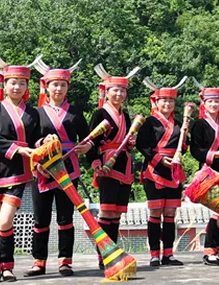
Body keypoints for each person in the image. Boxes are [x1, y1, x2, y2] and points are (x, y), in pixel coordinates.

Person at [0, 52, 41, 284]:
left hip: (18, 172)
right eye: (13, 82)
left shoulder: (33, 113)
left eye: (21, 83)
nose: (17, 86)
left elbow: (36, 140)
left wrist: (42, 145)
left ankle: (8, 265)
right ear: (5, 84)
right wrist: (18, 149)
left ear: (27, 87)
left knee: (5, 221)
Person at [25, 57, 90, 277]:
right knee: (40, 217)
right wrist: (42, 145)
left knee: (66, 217)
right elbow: (29, 141)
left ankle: (65, 261)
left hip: (68, 169)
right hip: (43, 170)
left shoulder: (75, 112)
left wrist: (86, 146)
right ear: (47, 86)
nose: (59, 88)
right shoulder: (36, 113)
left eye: (63, 85)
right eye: (55, 84)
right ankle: (39, 261)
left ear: (67, 88)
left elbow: (87, 138)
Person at [88, 64, 140, 269]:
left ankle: (113, 250)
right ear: (106, 92)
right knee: (106, 211)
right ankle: (104, 254)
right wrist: (95, 163)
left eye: (122, 90)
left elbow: (125, 141)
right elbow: (90, 142)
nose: (119, 94)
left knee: (117, 213)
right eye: (115, 90)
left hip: (124, 164)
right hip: (106, 165)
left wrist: (130, 143)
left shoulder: (126, 116)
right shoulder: (99, 114)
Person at [137, 77, 189, 267]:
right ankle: (154, 254)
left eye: (171, 101)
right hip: (154, 169)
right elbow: (142, 146)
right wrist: (159, 159)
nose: (167, 104)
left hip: (173, 170)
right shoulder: (149, 122)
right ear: (156, 102)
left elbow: (184, 146)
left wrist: (184, 138)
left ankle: (168, 254)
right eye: (164, 100)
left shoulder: (179, 124)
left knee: (170, 213)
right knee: (155, 213)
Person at [190, 77, 219, 266]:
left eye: (217, 101)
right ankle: (210, 251)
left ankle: (215, 250)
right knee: (217, 212)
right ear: (204, 104)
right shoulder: (199, 125)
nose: (214, 104)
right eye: (210, 101)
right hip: (209, 172)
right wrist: (215, 155)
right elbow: (195, 150)